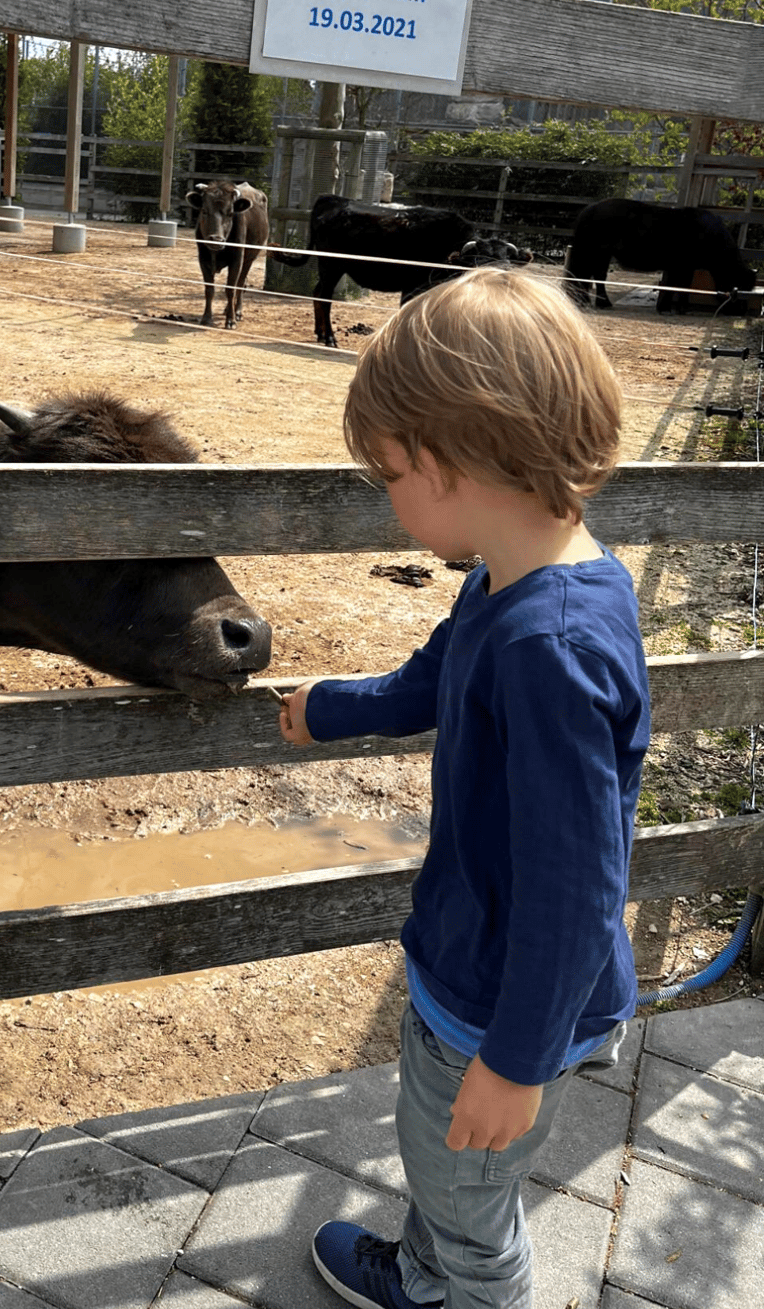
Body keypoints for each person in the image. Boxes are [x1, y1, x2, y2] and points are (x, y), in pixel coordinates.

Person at [278, 267, 650, 1309]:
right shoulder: (515, 578)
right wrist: (330, 707)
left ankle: (460, 1285)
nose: (387, 498)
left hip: (498, 1007)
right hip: (479, 970)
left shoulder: (550, 648)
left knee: (472, 1205)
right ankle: (424, 1272)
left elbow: (578, 886)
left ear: (446, 463)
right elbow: (432, 679)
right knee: (447, 1171)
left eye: (388, 472)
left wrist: (517, 1061)